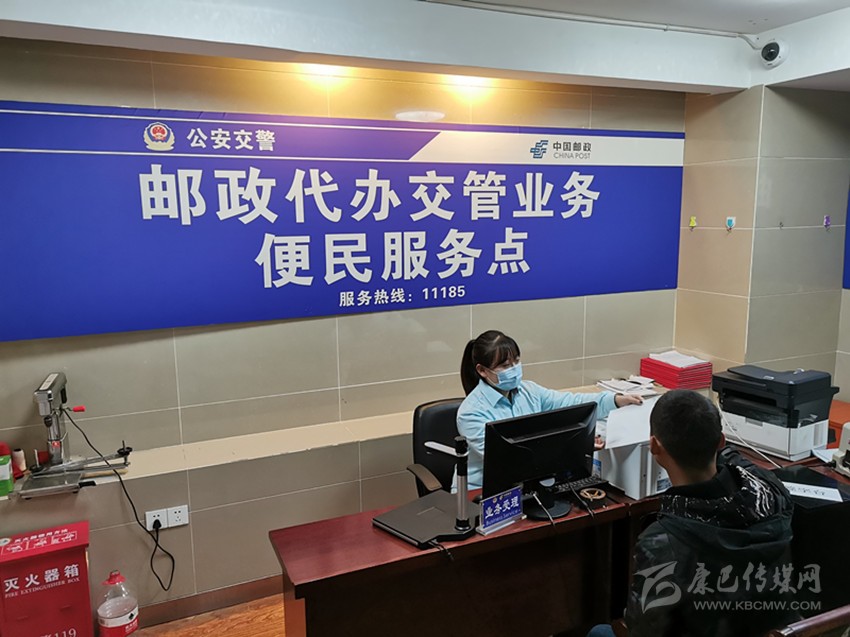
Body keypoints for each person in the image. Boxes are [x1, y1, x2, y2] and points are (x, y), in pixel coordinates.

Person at [589, 389, 798, 637]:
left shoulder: (663, 541)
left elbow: (643, 630)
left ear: (654, 446)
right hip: (764, 626)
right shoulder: (772, 491)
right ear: (721, 441)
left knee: (599, 632)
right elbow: (738, 462)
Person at [453, 329, 642, 491]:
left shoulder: (529, 391)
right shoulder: (471, 412)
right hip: (481, 492)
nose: (514, 369)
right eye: (505, 366)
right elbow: (506, 460)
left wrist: (614, 401)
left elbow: (572, 403)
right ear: (482, 370)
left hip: (528, 483)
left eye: (516, 361)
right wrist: (575, 447)